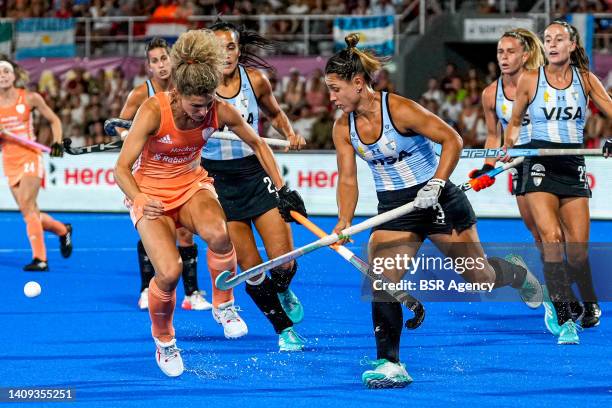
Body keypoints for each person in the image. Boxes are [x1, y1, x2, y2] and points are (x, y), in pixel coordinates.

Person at [325, 34, 543, 389]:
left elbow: (452, 139)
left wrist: (437, 184)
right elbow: (348, 179)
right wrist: (344, 221)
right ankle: (390, 363)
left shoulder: (399, 109)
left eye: (336, 89)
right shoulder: (342, 128)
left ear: (358, 83)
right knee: (383, 279)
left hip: (440, 201)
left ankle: (516, 274)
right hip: (396, 210)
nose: (331, 97)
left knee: (481, 280)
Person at [114, 29, 306, 377]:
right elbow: (121, 168)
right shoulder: (153, 110)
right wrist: (141, 198)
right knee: (169, 273)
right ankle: (164, 341)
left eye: (208, 104)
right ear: (177, 93)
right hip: (150, 193)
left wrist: (282, 188)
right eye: (196, 105)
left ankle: (224, 304)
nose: (204, 113)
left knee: (220, 235)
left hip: (192, 185)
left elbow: (260, 144)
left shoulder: (218, 109)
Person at [503, 21, 612, 344]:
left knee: (577, 252)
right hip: (538, 164)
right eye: (547, 39)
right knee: (551, 239)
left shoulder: (586, 81)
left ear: (573, 46)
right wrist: (509, 145)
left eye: (558, 39)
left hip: (572, 165)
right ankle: (565, 319)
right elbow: (513, 123)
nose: (551, 44)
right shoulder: (530, 80)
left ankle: (589, 301)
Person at [204, 21, 308, 351]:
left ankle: (284, 287)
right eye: (218, 48)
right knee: (252, 267)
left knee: (284, 259)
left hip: (254, 173)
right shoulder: (199, 89)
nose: (226, 54)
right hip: (218, 182)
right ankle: (283, 329)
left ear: (239, 49)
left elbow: (275, 114)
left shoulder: (255, 81)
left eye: (231, 47)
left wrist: (289, 133)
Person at [117, 37, 212, 313]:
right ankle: (147, 288)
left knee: (186, 235)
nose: (161, 65)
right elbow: (119, 125)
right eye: (155, 61)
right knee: (157, 231)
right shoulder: (140, 93)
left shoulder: (191, 89)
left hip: (183, 171)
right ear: (148, 67)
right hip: (149, 172)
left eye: (164, 58)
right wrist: (129, 135)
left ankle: (192, 293)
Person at [469, 29, 545, 247]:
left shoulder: (541, 83)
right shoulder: (490, 94)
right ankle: (555, 277)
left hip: (547, 157)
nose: (504, 57)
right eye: (500, 51)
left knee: (553, 230)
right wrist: (487, 167)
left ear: (525, 55)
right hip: (519, 163)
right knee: (536, 232)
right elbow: (494, 135)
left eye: (511, 52)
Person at [0, 57, 72, 271]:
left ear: (14, 76)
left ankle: (40, 259)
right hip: (9, 160)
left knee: (28, 205)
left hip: (30, 156)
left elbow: (54, 120)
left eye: (6, 71)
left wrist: (57, 143)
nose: (2, 75)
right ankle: (62, 230)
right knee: (28, 211)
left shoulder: (30, 98)